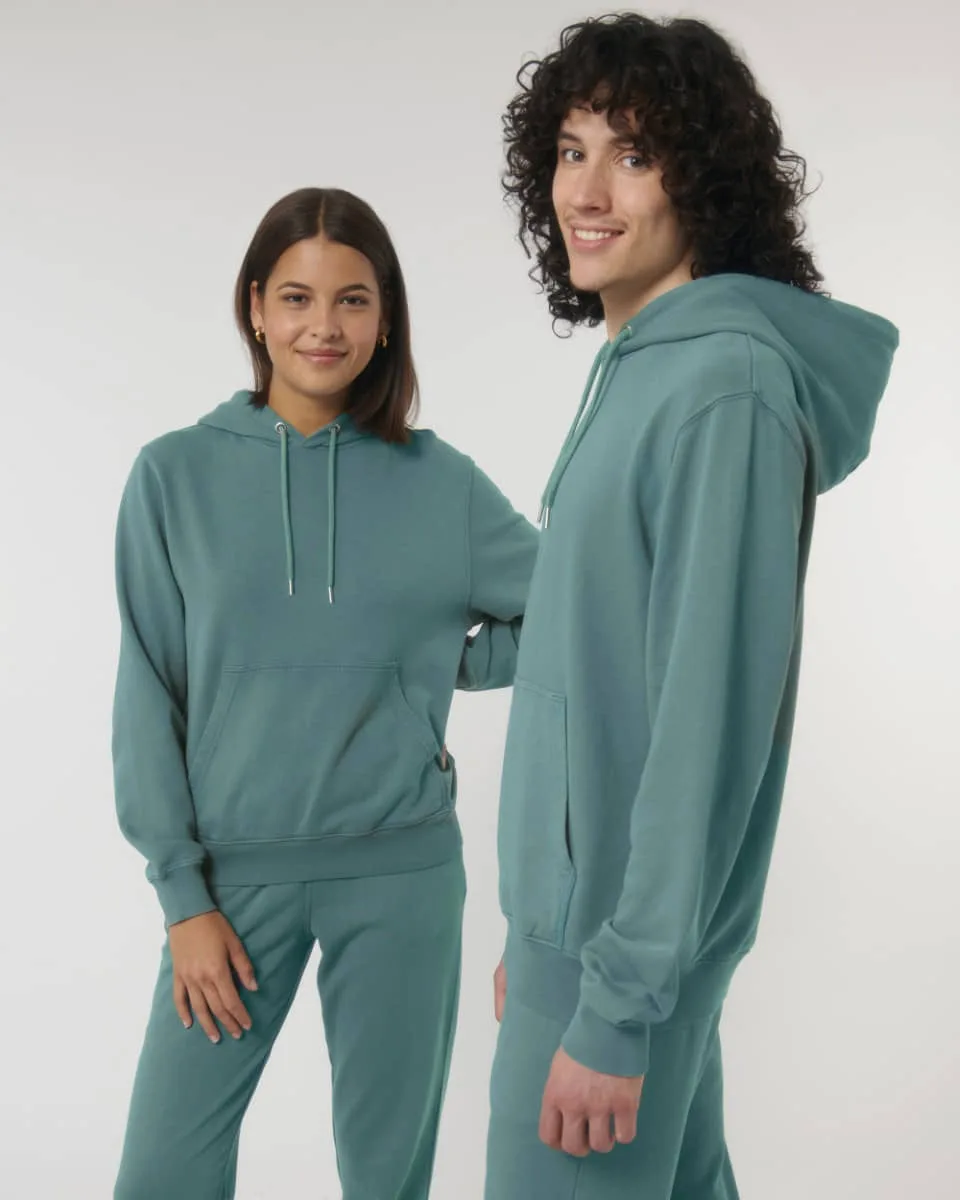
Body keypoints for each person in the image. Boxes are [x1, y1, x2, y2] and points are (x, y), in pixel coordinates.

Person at [485, 14, 898, 1199]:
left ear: (704, 183)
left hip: (619, 971)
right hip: (586, 949)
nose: (587, 191)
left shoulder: (726, 388)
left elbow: (704, 721)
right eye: (571, 151)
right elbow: (589, 661)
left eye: (635, 153)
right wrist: (536, 933)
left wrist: (614, 1003)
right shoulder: (642, 368)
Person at [110, 186, 538, 1200]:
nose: (324, 326)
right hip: (231, 884)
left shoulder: (442, 483)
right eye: (297, 298)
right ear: (256, 308)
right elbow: (148, 691)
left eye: (353, 299)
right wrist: (182, 899)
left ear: (385, 318)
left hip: (401, 874)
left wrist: (441, 665)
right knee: (163, 1172)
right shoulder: (173, 476)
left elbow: (569, 611)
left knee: (386, 1179)